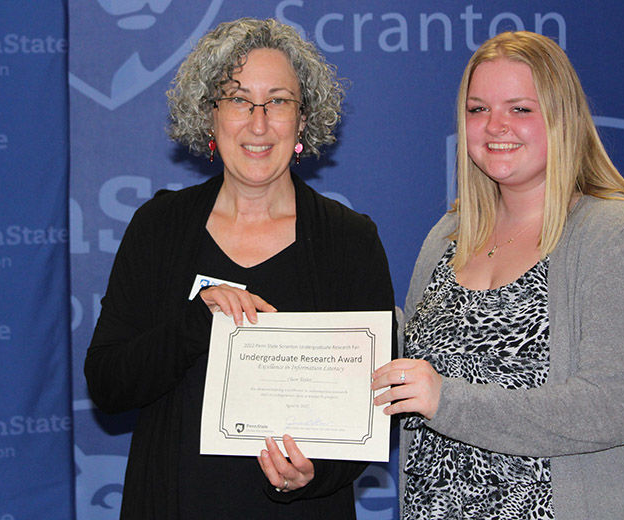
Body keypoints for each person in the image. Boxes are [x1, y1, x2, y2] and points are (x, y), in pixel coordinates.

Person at [84, 18, 395, 519]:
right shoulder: (158, 227)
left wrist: (316, 473)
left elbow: (379, 404)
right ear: (209, 116)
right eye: (237, 99)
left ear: (303, 120)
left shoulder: (350, 240)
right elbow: (108, 384)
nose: (258, 123)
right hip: (173, 503)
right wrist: (193, 324)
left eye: (278, 101)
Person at [372, 31, 624, 520]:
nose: (495, 126)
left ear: (562, 118)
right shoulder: (449, 235)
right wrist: (297, 328)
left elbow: (609, 409)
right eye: (478, 110)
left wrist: (446, 400)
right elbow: (413, 355)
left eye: (519, 109)